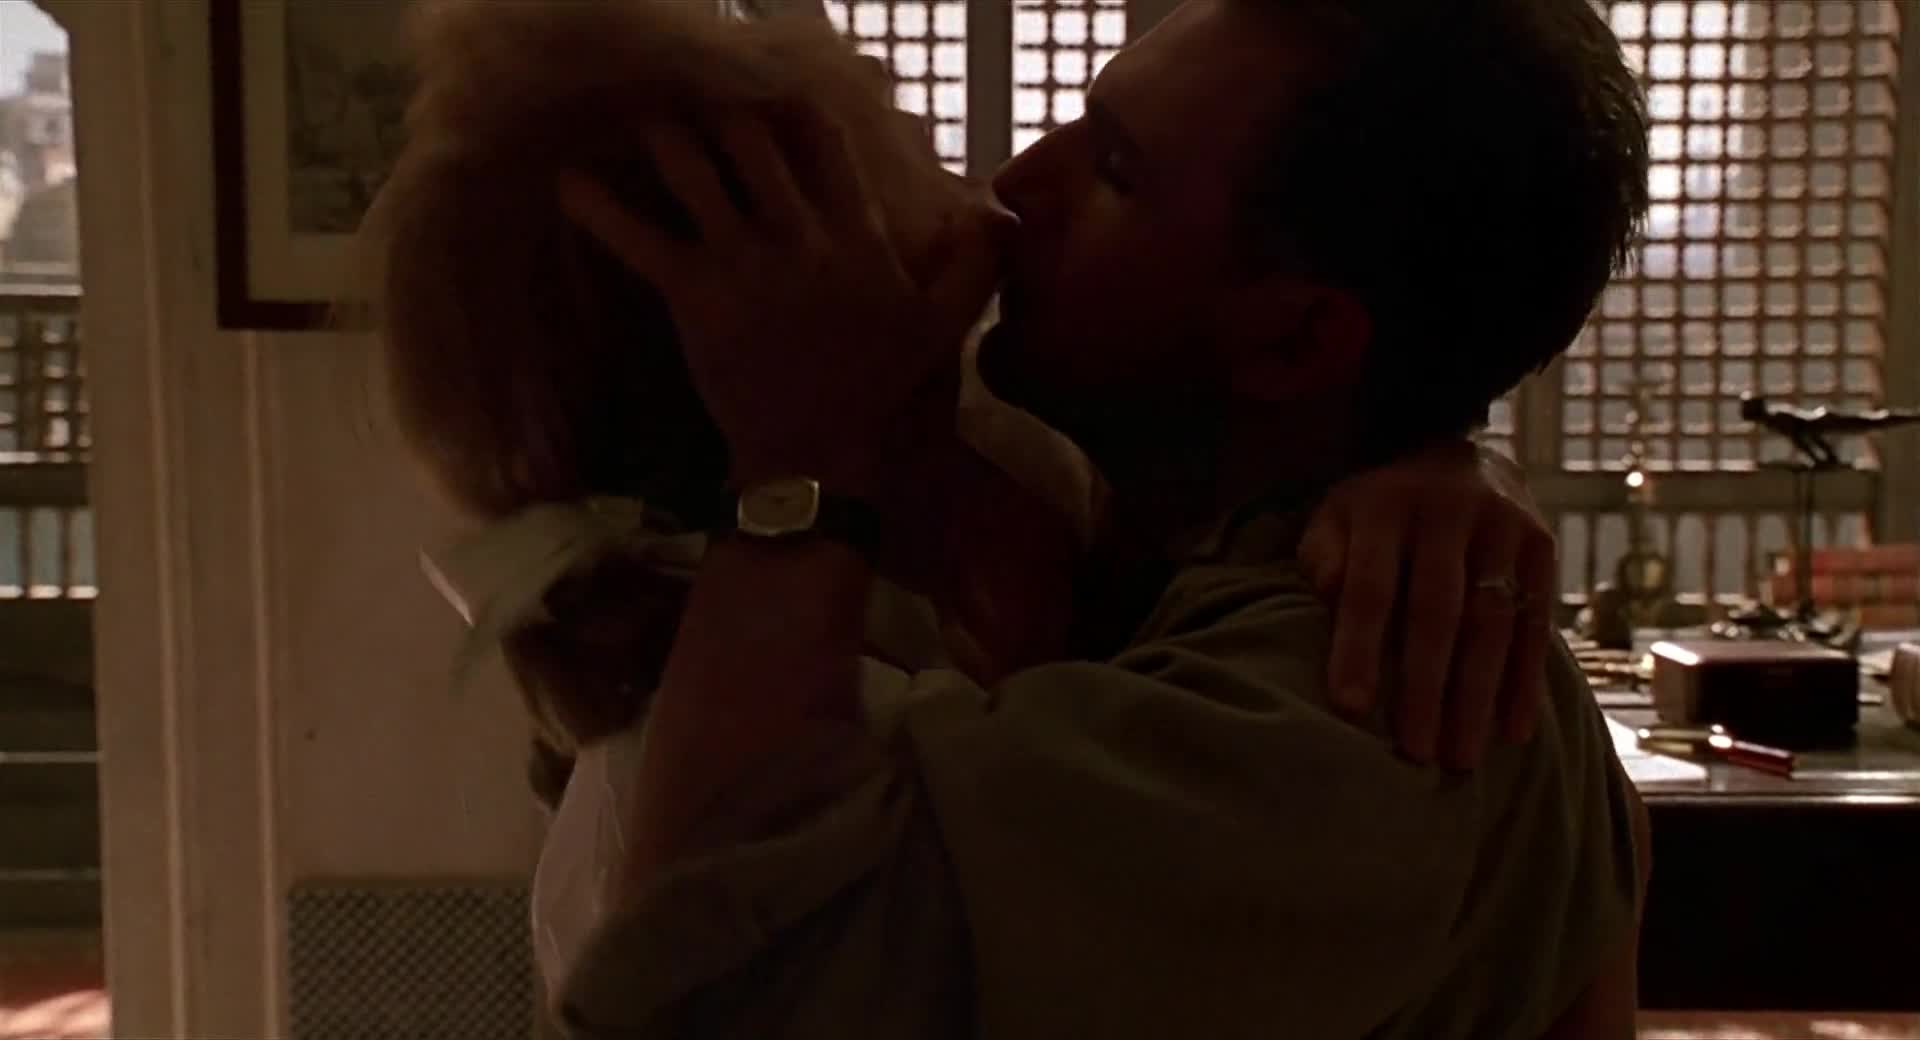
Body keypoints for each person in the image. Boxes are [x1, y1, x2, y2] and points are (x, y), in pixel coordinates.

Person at [364, 0, 1643, 1036]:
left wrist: (806, 462)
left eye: (1116, 169)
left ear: (1296, 339)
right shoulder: (1097, 553)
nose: (1014, 188)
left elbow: (719, 992)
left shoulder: (1370, 691)